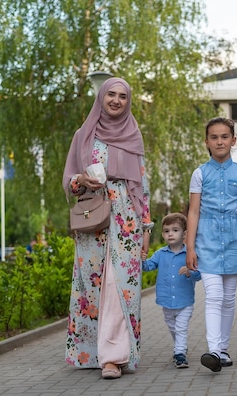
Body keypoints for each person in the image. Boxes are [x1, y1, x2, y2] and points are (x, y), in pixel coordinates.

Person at [62, 77, 153, 379]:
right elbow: (69, 181)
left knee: (120, 286)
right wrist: (81, 180)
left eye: (123, 96)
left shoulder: (134, 136)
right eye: (111, 95)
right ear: (101, 97)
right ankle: (96, 352)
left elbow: (142, 184)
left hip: (127, 220)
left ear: (129, 102)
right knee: (94, 285)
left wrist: (146, 227)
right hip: (93, 216)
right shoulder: (84, 135)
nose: (116, 100)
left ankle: (114, 356)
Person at [185, 117, 237, 372]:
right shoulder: (199, 174)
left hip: (233, 243)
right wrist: (190, 248)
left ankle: (222, 349)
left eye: (224, 136)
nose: (219, 141)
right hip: (206, 244)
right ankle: (213, 350)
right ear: (207, 142)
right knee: (214, 296)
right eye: (214, 137)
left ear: (234, 141)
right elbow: (193, 212)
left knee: (229, 299)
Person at [141, 213, 201, 369]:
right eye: (167, 231)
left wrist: (190, 272)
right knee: (172, 327)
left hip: (185, 300)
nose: (171, 234)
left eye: (175, 230)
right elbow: (148, 266)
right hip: (166, 300)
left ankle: (179, 354)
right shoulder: (160, 254)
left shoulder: (189, 253)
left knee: (181, 327)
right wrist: (140, 259)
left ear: (184, 234)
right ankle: (180, 347)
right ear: (162, 235)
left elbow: (199, 274)